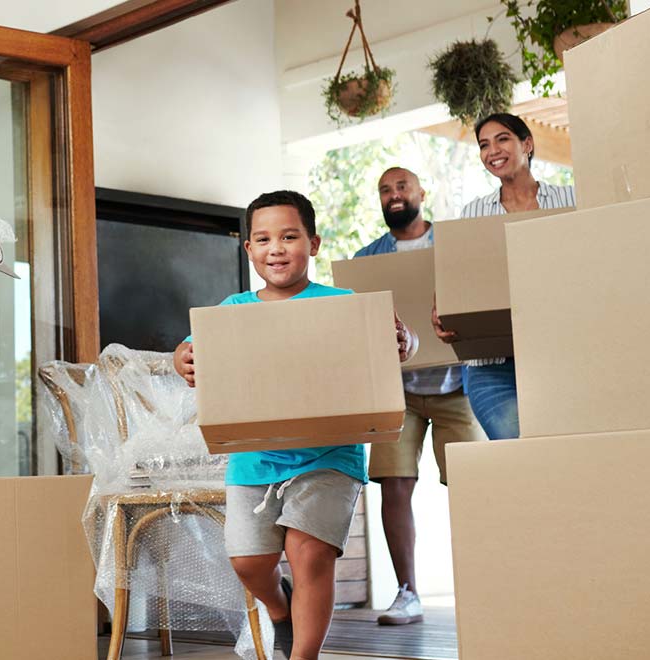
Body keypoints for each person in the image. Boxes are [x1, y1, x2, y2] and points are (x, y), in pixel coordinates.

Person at [173, 190, 415, 660]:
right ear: (248, 250)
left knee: (311, 554)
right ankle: (280, 610)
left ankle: (304, 657)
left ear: (315, 243)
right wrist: (181, 358)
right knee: (248, 563)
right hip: (254, 457)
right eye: (262, 239)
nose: (276, 248)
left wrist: (405, 341)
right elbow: (190, 350)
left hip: (329, 454)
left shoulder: (342, 303)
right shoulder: (232, 310)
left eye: (289, 236)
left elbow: (401, 341)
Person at [351, 167, 485, 626]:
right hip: (399, 392)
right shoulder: (367, 258)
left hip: (458, 386)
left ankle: (483, 585)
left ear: (421, 193)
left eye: (401, 187)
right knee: (395, 484)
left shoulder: (451, 245)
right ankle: (407, 592)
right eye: (384, 189)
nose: (393, 195)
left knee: (473, 486)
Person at [434, 112, 576, 440]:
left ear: (527, 144)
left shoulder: (571, 200)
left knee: (562, 447)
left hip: (559, 353)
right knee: (518, 450)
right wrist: (442, 305)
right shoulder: (473, 213)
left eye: (502, 139)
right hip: (491, 365)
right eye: (484, 145)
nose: (492, 150)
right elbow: (459, 276)